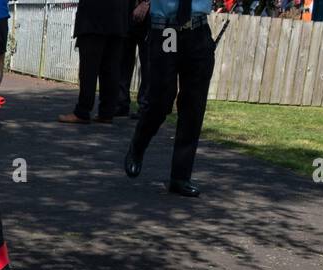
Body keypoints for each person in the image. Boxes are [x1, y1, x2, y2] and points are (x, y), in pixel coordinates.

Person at [124, 0, 216, 196]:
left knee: (193, 105)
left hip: (198, 30)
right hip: (168, 31)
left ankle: (180, 177)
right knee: (161, 99)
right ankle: (138, 145)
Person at [58, 0, 128, 124]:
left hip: (93, 18)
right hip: (118, 18)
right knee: (111, 69)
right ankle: (107, 112)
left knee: (89, 69)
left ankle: (83, 111)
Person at [117, 0, 151, 119]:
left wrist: (146, 3)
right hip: (127, 11)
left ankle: (144, 106)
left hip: (149, 14)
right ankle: (121, 103)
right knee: (123, 61)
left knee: (148, 64)